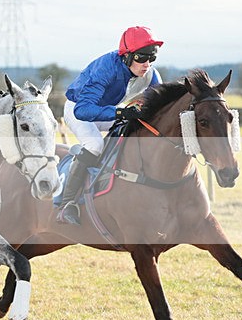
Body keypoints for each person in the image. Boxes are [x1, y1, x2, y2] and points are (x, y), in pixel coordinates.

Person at [56, 26, 164, 225]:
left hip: (107, 109)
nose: (147, 64)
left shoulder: (151, 75)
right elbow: (83, 110)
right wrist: (121, 113)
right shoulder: (106, 69)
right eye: (141, 57)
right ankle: (67, 204)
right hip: (78, 109)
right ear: (126, 56)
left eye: (152, 58)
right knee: (95, 145)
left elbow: (161, 107)